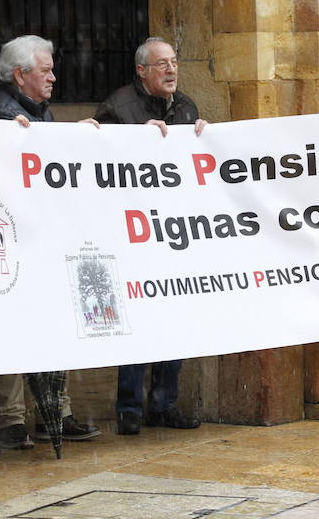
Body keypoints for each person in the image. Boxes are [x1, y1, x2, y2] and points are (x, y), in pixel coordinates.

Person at [0, 35, 101, 448]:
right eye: (45, 70)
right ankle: (10, 418)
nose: (53, 77)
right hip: (15, 240)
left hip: (42, 236)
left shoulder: (39, 112)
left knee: (51, 323)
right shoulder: (0, 116)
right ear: (20, 75)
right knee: (13, 325)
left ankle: (56, 410)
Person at [94, 37, 205, 435]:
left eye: (174, 62)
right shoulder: (118, 108)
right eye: (161, 64)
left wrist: (204, 137)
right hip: (135, 233)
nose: (171, 70)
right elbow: (98, 164)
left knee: (174, 318)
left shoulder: (187, 106)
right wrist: (137, 140)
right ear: (142, 71)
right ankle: (129, 407)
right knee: (139, 320)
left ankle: (164, 403)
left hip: (175, 233)